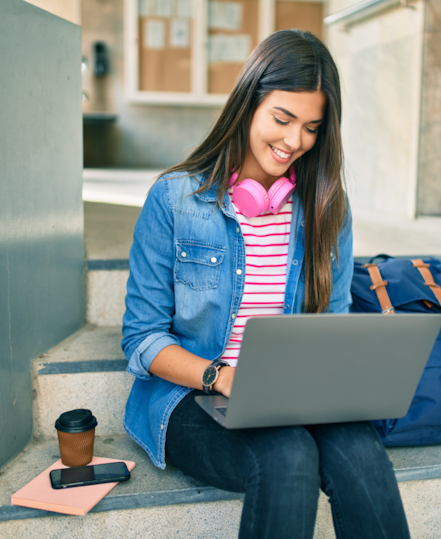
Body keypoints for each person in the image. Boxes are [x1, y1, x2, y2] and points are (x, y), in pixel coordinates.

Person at [121, 29, 410, 539]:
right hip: (193, 394)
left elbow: (333, 324)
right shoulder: (174, 200)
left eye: (311, 127)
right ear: (248, 103)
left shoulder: (327, 209)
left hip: (293, 393)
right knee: (287, 454)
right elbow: (142, 338)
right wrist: (221, 376)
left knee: (361, 454)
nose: (294, 141)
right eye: (282, 119)